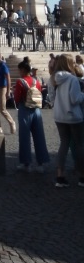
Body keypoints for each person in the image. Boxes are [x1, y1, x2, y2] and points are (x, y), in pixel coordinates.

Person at [46, 53, 84, 188]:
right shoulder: (72, 79)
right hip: (73, 115)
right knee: (79, 145)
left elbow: (51, 97)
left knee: (64, 144)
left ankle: (60, 176)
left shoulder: (53, 78)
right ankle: (82, 176)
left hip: (59, 115)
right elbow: (75, 99)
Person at [13, 58, 50, 172]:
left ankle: (26, 163)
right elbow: (39, 91)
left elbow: (17, 97)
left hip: (25, 108)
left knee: (24, 136)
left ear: (23, 70)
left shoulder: (20, 81)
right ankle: (41, 163)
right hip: (36, 109)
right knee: (39, 135)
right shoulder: (36, 81)